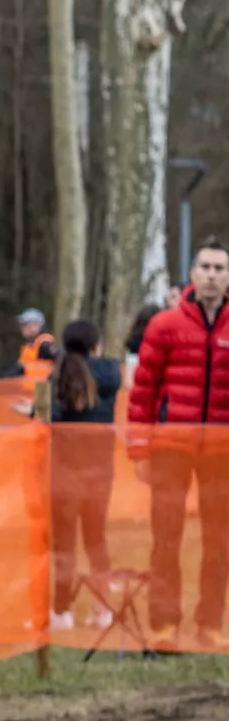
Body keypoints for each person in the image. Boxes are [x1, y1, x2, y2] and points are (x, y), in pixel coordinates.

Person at [129, 238, 229, 649]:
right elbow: (143, 391)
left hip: (222, 452)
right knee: (166, 538)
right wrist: (139, 448)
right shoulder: (165, 326)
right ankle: (164, 625)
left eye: (219, 269)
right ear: (191, 274)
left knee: (219, 541)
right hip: (170, 446)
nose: (211, 275)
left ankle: (209, 625)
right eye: (205, 267)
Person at [50, 318, 121, 631]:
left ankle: (61, 610)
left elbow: (49, 419)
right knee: (97, 541)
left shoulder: (61, 376)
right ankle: (102, 608)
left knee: (64, 544)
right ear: (97, 344)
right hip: (100, 471)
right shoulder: (111, 375)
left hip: (64, 470)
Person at [16, 309, 59, 380]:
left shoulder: (45, 343)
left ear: (37, 325)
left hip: (43, 389)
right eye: (22, 325)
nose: (23, 328)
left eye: (26, 324)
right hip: (29, 388)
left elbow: (60, 360)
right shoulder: (29, 345)